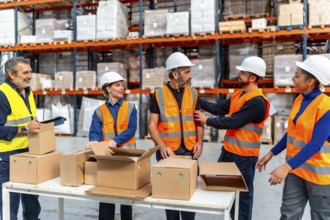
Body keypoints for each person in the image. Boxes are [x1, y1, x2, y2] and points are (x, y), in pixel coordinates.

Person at [194, 56, 270, 220]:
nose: (239, 75)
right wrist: (195, 98)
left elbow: (234, 122)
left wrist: (207, 121)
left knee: (243, 197)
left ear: (252, 78)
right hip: (228, 152)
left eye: (242, 73)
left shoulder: (258, 102)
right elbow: (218, 108)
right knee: (221, 189)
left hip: (244, 158)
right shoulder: (238, 95)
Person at [256, 55, 330, 220]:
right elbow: (293, 132)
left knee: (321, 217)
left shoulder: (326, 107)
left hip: (319, 176)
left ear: (310, 81)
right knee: (288, 215)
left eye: (297, 76)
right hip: (297, 171)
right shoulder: (299, 100)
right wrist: (271, 153)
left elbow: (316, 144)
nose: (292, 78)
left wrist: (286, 167)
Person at [148, 52, 204, 220]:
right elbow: (152, 125)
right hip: (168, 153)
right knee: (170, 198)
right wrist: (162, 146)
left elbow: (198, 121)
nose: (190, 76)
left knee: (189, 199)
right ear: (175, 74)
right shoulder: (158, 95)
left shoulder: (193, 94)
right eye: (186, 72)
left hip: (189, 151)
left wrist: (200, 142)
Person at [85, 72, 137, 220]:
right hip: (107, 159)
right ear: (108, 88)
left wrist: (115, 141)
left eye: (122, 85)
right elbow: (94, 131)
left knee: (126, 197)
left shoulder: (131, 107)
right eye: (117, 85)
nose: (122, 88)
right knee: (106, 195)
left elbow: (132, 129)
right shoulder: (99, 111)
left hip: (127, 158)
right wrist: (94, 141)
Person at [0, 57, 41, 220]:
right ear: (11, 74)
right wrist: (24, 129)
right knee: (10, 204)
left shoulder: (28, 91)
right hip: (8, 157)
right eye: (25, 73)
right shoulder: (2, 94)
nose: (29, 76)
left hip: (29, 153)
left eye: (30, 72)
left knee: (32, 199)